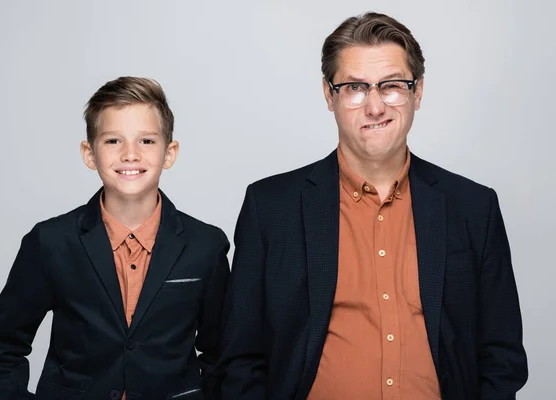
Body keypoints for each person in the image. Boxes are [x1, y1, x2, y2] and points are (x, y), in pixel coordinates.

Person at [217, 12, 527, 400]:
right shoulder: (270, 208)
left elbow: (502, 356)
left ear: (418, 92)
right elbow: (239, 359)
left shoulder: (473, 207)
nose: (375, 106)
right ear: (330, 95)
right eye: (356, 87)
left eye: (392, 86)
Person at [0, 76, 229, 400]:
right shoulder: (51, 242)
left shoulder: (205, 246)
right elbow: (2, 344)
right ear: (89, 153)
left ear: (169, 153)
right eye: (113, 141)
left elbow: (221, 354)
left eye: (146, 141)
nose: (130, 154)